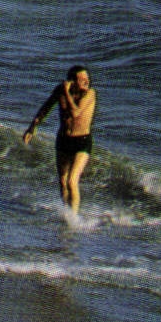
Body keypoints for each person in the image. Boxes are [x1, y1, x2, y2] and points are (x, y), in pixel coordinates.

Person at [22, 65, 96, 212]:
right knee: (63, 181)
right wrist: (32, 127)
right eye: (82, 79)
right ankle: (67, 212)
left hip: (82, 141)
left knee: (71, 180)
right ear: (72, 81)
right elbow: (46, 108)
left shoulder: (90, 94)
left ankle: (73, 218)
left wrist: (66, 93)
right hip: (63, 140)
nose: (86, 82)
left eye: (87, 79)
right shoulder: (60, 91)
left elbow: (76, 112)